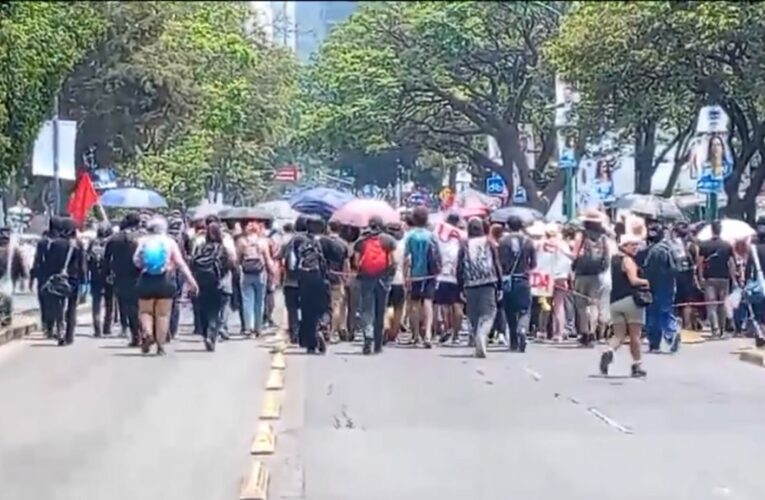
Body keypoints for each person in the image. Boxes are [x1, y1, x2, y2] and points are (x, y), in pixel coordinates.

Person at [133, 215, 198, 355]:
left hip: (146, 279)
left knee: (145, 311)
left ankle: (148, 333)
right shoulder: (170, 242)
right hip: (166, 280)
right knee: (163, 314)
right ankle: (161, 346)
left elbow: (136, 261)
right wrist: (191, 280)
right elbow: (181, 263)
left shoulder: (143, 241)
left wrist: (146, 266)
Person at [599, 233, 649, 377]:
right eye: (632, 245)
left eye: (636, 245)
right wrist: (645, 281)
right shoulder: (628, 261)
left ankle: (609, 350)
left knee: (619, 335)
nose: (635, 248)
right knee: (635, 336)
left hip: (615, 301)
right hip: (631, 301)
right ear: (624, 246)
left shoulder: (614, 260)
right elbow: (633, 280)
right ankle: (637, 364)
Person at [457, 218, 502, 358]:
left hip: (470, 283)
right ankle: (482, 335)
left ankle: (477, 336)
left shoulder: (464, 244)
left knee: (473, 314)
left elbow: (459, 267)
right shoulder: (489, 242)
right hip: (488, 282)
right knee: (489, 313)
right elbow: (496, 264)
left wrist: (460, 286)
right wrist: (500, 285)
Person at [37, 217, 86, 345]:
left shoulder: (55, 244)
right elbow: (82, 264)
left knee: (58, 306)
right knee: (72, 308)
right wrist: (84, 280)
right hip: (73, 279)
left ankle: (60, 331)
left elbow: (49, 262)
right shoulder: (78, 244)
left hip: (58, 278)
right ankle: (69, 335)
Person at [354, 215, 397, 354]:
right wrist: (389, 276)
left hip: (366, 278)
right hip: (383, 279)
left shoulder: (361, 240)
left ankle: (368, 334)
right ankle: (378, 345)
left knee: (367, 309)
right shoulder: (388, 240)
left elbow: (356, 262)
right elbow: (392, 261)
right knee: (380, 311)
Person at [192, 222, 234, 351]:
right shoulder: (222, 249)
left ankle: (205, 334)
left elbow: (193, 263)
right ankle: (211, 335)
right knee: (214, 312)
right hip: (216, 283)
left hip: (201, 283)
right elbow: (228, 265)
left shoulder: (201, 248)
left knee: (203, 311)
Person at [498, 215, 537, 352]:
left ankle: (513, 341)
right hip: (523, 279)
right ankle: (522, 329)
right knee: (525, 309)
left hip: (508, 280)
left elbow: (499, 263)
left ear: (508, 226)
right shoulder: (528, 241)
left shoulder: (502, 242)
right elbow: (533, 264)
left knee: (509, 311)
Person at [572, 211, 610, 347]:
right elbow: (607, 256)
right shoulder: (603, 236)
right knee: (594, 304)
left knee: (582, 306)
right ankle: (593, 332)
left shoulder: (581, 235)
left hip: (582, 273)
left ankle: (585, 333)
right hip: (597, 274)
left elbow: (575, 254)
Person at [404, 206, 440, 348]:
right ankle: (428, 334)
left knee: (414, 303)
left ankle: (415, 334)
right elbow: (437, 255)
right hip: (430, 274)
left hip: (415, 274)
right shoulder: (431, 235)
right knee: (428, 303)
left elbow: (406, 257)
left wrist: (405, 275)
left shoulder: (410, 236)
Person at [105, 213, 142, 346]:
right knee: (143, 306)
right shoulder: (142, 237)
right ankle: (146, 331)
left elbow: (106, 260)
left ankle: (135, 335)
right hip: (142, 275)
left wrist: (108, 274)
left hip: (121, 276)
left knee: (128, 307)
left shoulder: (114, 239)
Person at [642, 222, 680, 352]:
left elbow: (645, 269)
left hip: (652, 286)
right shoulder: (670, 248)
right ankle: (672, 333)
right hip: (668, 285)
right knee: (666, 312)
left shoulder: (651, 251)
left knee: (652, 315)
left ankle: (654, 343)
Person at [295, 215, 330, 354]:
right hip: (322, 279)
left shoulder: (298, 241)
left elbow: (292, 262)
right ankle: (322, 327)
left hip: (304, 278)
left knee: (307, 311)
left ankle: (310, 343)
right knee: (324, 308)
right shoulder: (327, 242)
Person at [696, 219, 737, 338]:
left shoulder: (704, 245)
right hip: (724, 278)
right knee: (722, 303)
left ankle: (715, 329)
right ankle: (723, 329)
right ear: (720, 230)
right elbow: (731, 263)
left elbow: (700, 263)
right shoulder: (727, 245)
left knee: (711, 304)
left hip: (709, 278)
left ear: (711, 230)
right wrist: (733, 279)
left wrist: (700, 277)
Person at [237, 219, 274, 337]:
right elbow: (268, 260)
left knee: (247, 301)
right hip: (260, 274)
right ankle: (258, 327)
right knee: (260, 302)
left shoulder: (242, 241)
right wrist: (273, 274)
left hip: (246, 274)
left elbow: (237, 260)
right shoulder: (262, 242)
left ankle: (249, 328)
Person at [434, 212, 465, 344]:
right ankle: (456, 335)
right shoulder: (462, 236)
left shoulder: (439, 232)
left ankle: (442, 329)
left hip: (440, 274)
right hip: (456, 274)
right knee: (457, 305)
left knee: (439, 304)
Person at [325, 220, 351, 343]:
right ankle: (331, 333)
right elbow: (346, 263)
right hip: (337, 277)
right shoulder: (344, 244)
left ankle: (323, 328)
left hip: (323, 276)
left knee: (324, 305)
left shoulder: (322, 242)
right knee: (336, 305)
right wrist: (347, 277)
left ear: (329, 228)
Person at [279, 218, 303, 344]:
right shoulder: (311, 241)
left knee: (292, 309)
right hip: (306, 281)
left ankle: (294, 333)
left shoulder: (288, 242)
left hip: (290, 281)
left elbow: (280, 258)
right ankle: (305, 332)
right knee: (306, 308)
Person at [88, 222, 114, 337]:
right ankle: (107, 327)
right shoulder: (111, 243)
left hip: (95, 276)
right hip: (108, 275)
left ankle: (97, 328)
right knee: (109, 302)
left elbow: (88, 258)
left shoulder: (93, 242)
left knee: (96, 303)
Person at [385, 222, 407, 344]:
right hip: (400, 279)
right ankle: (394, 334)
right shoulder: (403, 245)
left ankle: (386, 327)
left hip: (386, 279)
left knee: (387, 306)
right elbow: (407, 262)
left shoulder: (384, 244)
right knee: (398, 308)